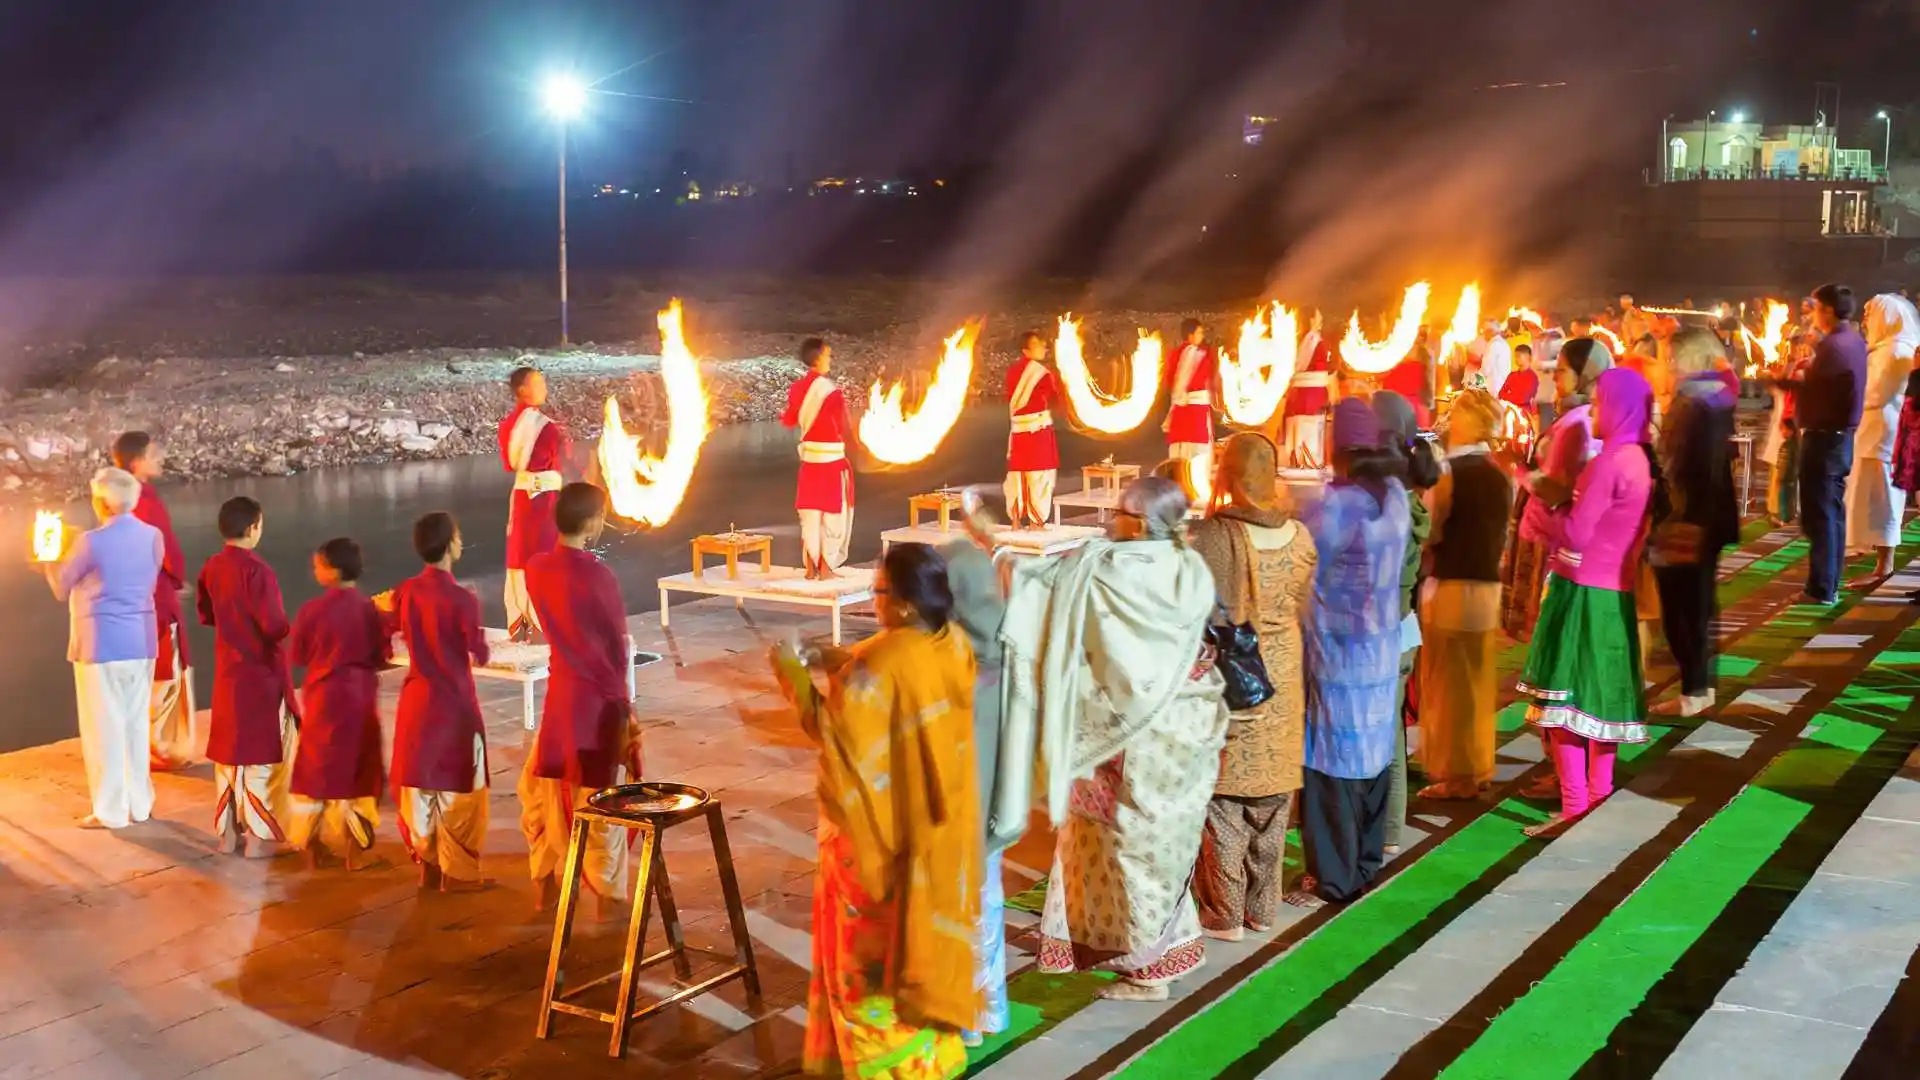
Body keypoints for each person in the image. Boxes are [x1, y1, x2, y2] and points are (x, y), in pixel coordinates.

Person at [1001, 477, 1227, 1000]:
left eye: (1119, 514)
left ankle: (1147, 969)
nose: (1110, 522)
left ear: (1142, 523)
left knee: (1127, 850)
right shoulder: (1186, 564)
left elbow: (1041, 586)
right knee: (1158, 846)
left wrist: (996, 554)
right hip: (1182, 730)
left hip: (1124, 738)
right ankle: (1166, 946)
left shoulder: (1112, 571)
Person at [782, 543, 981, 1078]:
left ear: (908, 603)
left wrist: (793, 675)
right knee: (923, 952)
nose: (873, 601)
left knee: (868, 972)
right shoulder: (952, 644)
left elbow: (835, 736)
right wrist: (839, 659)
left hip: (875, 844)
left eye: (879, 592)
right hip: (937, 839)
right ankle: (932, 1060)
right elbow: (899, 673)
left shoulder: (879, 663)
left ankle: (887, 1068)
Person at [1518, 368, 1655, 836]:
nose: (1591, 413)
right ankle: (1597, 800)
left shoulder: (1608, 462)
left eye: (1598, 404)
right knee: (1601, 705)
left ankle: (1575, 806)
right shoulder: (1638, 459)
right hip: (1615, 593)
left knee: (1565, 709)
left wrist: (1541, 500)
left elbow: (1576, 532)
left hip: (1579, 591)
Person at [1190, 433, 1317, 939]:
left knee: (1225, 801)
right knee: (1272, 797)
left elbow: (1201, 608)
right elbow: (1303, 597)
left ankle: (1224, 912)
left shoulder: (1215, 536)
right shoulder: (1301, 536)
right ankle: (1263, 909)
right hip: (1283, 673)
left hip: (1235, 676)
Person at [1289, 401, 1410, 905]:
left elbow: (1298, 556)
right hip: (1381, 647)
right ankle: (1362, 865)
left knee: (1332, 765)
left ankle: (1333, 878)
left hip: (1338, 654)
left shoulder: (1337, 504)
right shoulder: (1395, 496)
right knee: (1373, 758)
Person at [518, 483, 641, 917]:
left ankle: (546, 885)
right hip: (597, 701)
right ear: (592, 523)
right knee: (600, 799)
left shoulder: (536, 569)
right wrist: (625, 704)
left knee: (547, 793)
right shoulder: (598, 575)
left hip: (561, 696)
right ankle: (607, 901)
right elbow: (616, 644)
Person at [42, 468, 163, 829]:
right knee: (136, 724)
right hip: (141, 640)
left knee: (104, 728)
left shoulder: (91, 542)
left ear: (101, 502)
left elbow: (61, 587)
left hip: (101, 643)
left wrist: (48, 558)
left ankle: (111, 812)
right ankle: (140, 804)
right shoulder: (152, 535)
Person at [385, 512, 492, 891]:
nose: (461, 542)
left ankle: (427, 863)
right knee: (461, 790)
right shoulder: (463, 599)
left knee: (420, 787)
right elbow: (478, 652)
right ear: (449, 546)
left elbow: (387, 627)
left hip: (417, 700)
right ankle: (458, 871)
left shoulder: (406, 592)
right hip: (454, 704)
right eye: (458, 536)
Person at [941, 494, 1012, 1045]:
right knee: (986, 906)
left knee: (952, 915)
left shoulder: (942, 663)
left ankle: (957, 1016)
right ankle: (986, 1012)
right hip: (992, 817)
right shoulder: (1005, 657)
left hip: (949, 818)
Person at [1418, 391, 1512, 800]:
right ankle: (1478, 766)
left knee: (1449, 684)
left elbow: (1431, 530)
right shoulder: (1498, 473)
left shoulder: (1449, 472)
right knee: (1476, 683)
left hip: (1453, 581)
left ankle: (1456, 776)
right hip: (1488, 584)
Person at [197, 497, 297, 855]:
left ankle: (227, 835)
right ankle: (260, 839)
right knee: (261, 756)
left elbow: (206, 614)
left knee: (228, 755)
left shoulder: (212, 567)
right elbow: (274, 626)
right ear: (254, 527)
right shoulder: (258, 571)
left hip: (227, 671)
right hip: (260, 673)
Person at [1651, 330, 1740, 718]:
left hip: (1688, 518)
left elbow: (1690, 467)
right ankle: (1698, 687)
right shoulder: (1714, 396)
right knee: (1696, 605)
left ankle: (1694, 690)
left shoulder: (1694, 402)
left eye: (1672, 359)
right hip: (1705, 517)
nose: (1667, 367)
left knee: (1683, 608)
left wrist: (1676, 516)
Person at [286, 537, 389, 868]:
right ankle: (355, 852)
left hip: (321, 698)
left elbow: (298, 655)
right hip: (358, 698)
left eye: (317, 565)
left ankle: (313, 844)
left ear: (331, 570)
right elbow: (380, 655)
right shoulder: (368, 609)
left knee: (316, 771)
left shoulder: (311, 611)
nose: (314, 570)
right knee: (359, 771)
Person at [1504, 340, 1608, 642]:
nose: (1556, 379)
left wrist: (1516, 467)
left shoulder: (1580, 424)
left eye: (1562, 371)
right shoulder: (1581, 416)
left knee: (1550, 636)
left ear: (1585, 374)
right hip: (1550, 536)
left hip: (1552, 541)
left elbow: (1559, 491)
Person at [1372, 391, 1439, 853]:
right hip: (1402, 628)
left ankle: (1377, 831)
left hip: (1380, 631)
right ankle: (1391, 829)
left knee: (1373, 737)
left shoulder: (1385, 503)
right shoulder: (1410, 502)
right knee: (1390, 733)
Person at [1775, 284, 1867, 605]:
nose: (1812, 313)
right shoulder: (1852, 341)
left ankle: (1822, 589)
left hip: (1826, 438)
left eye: (1815, 307)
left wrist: (1777, 380)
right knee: (1832, 514)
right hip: (1839, 438)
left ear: (1827, 310)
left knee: (1821, 516)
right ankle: (1827, 584)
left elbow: (1814, 390)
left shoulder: (1835, 347)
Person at [111, 432, 194, 771]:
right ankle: (161, 747)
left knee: (150, 667)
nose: (160, 456)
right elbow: (163, 546)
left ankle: (150, 744)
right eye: (153, 453)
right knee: (165, 669)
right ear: (136, 462)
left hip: (134, 594)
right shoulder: (143, 499)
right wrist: (175, 579)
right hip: (155, 594)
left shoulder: (116, 498)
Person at [1846, 293, 1920, 585]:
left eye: (1869, 312)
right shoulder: (1883, 348)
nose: (1865, 319)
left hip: (1885, 435)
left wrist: (1846, 393)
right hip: (1872, 432)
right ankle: (1874, 555)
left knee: (1885, 499)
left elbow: (1876, 394)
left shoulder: (1895, 350)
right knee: (1871, 498)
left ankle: (1884, 564)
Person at [499, 366, 570, 639]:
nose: (544, 388)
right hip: (541, 500)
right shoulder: (544, 427)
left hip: (522, 498)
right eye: (538, 383)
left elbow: (511, 465)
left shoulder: (509, 425)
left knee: (521, 555)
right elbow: (546, 463)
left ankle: (522, 621)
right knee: (542, 555)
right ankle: (545, 623)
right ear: (522, 390)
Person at [780, 338, 856, 579]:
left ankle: (811, 567)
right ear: (819, 357)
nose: (830, 360)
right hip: (832, 462)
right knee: (833, 514)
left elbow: (789, 420)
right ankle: (826, 567)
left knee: (810, 514)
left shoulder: (797, 388)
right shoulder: (830, 392)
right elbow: (844, 427)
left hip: (809, 461)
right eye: (828, 355)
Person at [1004, 330, 1060, 529]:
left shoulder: (1013, 372)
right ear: (1025, 349)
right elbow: (1055, 397)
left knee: (1018, 475)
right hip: (1037, 431)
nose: (1044, 347)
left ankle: (1016, 521)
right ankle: (1037, 522)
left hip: (1019, 432)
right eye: (1038, 344)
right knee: (1040, 475)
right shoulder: (1041, 374)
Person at [1164, 318, 1220, 480]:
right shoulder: (1198, 354)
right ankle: (1196, 484)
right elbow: (1209, 378)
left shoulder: (1175, 354)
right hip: (1195, 412)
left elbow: (1169, 380)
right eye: (1199, 332)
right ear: (1190, 335)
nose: (1202, 336)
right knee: (1197, 451)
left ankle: (1179, 482)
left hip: (1180, 412)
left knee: (1180, 450)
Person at [1281, 323, 1334, 468]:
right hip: (1308, 393)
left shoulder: (1294, 338)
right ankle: (1306, 461)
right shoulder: (1314, 340)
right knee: (1306, 427)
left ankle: (1301, 461)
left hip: (1304, 393)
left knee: (1303, 427)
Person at [1499, 344, 1540, 416]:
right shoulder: (1512, 375)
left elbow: (1523, 398)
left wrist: (1509, 396)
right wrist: (1513, 397)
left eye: (1518, 356)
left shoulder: (1533, 377)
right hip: (1511, 411)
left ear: (1528, 357)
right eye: (1515, 356)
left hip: (1526, 414)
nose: (1516, 359)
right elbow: (1501, 394)